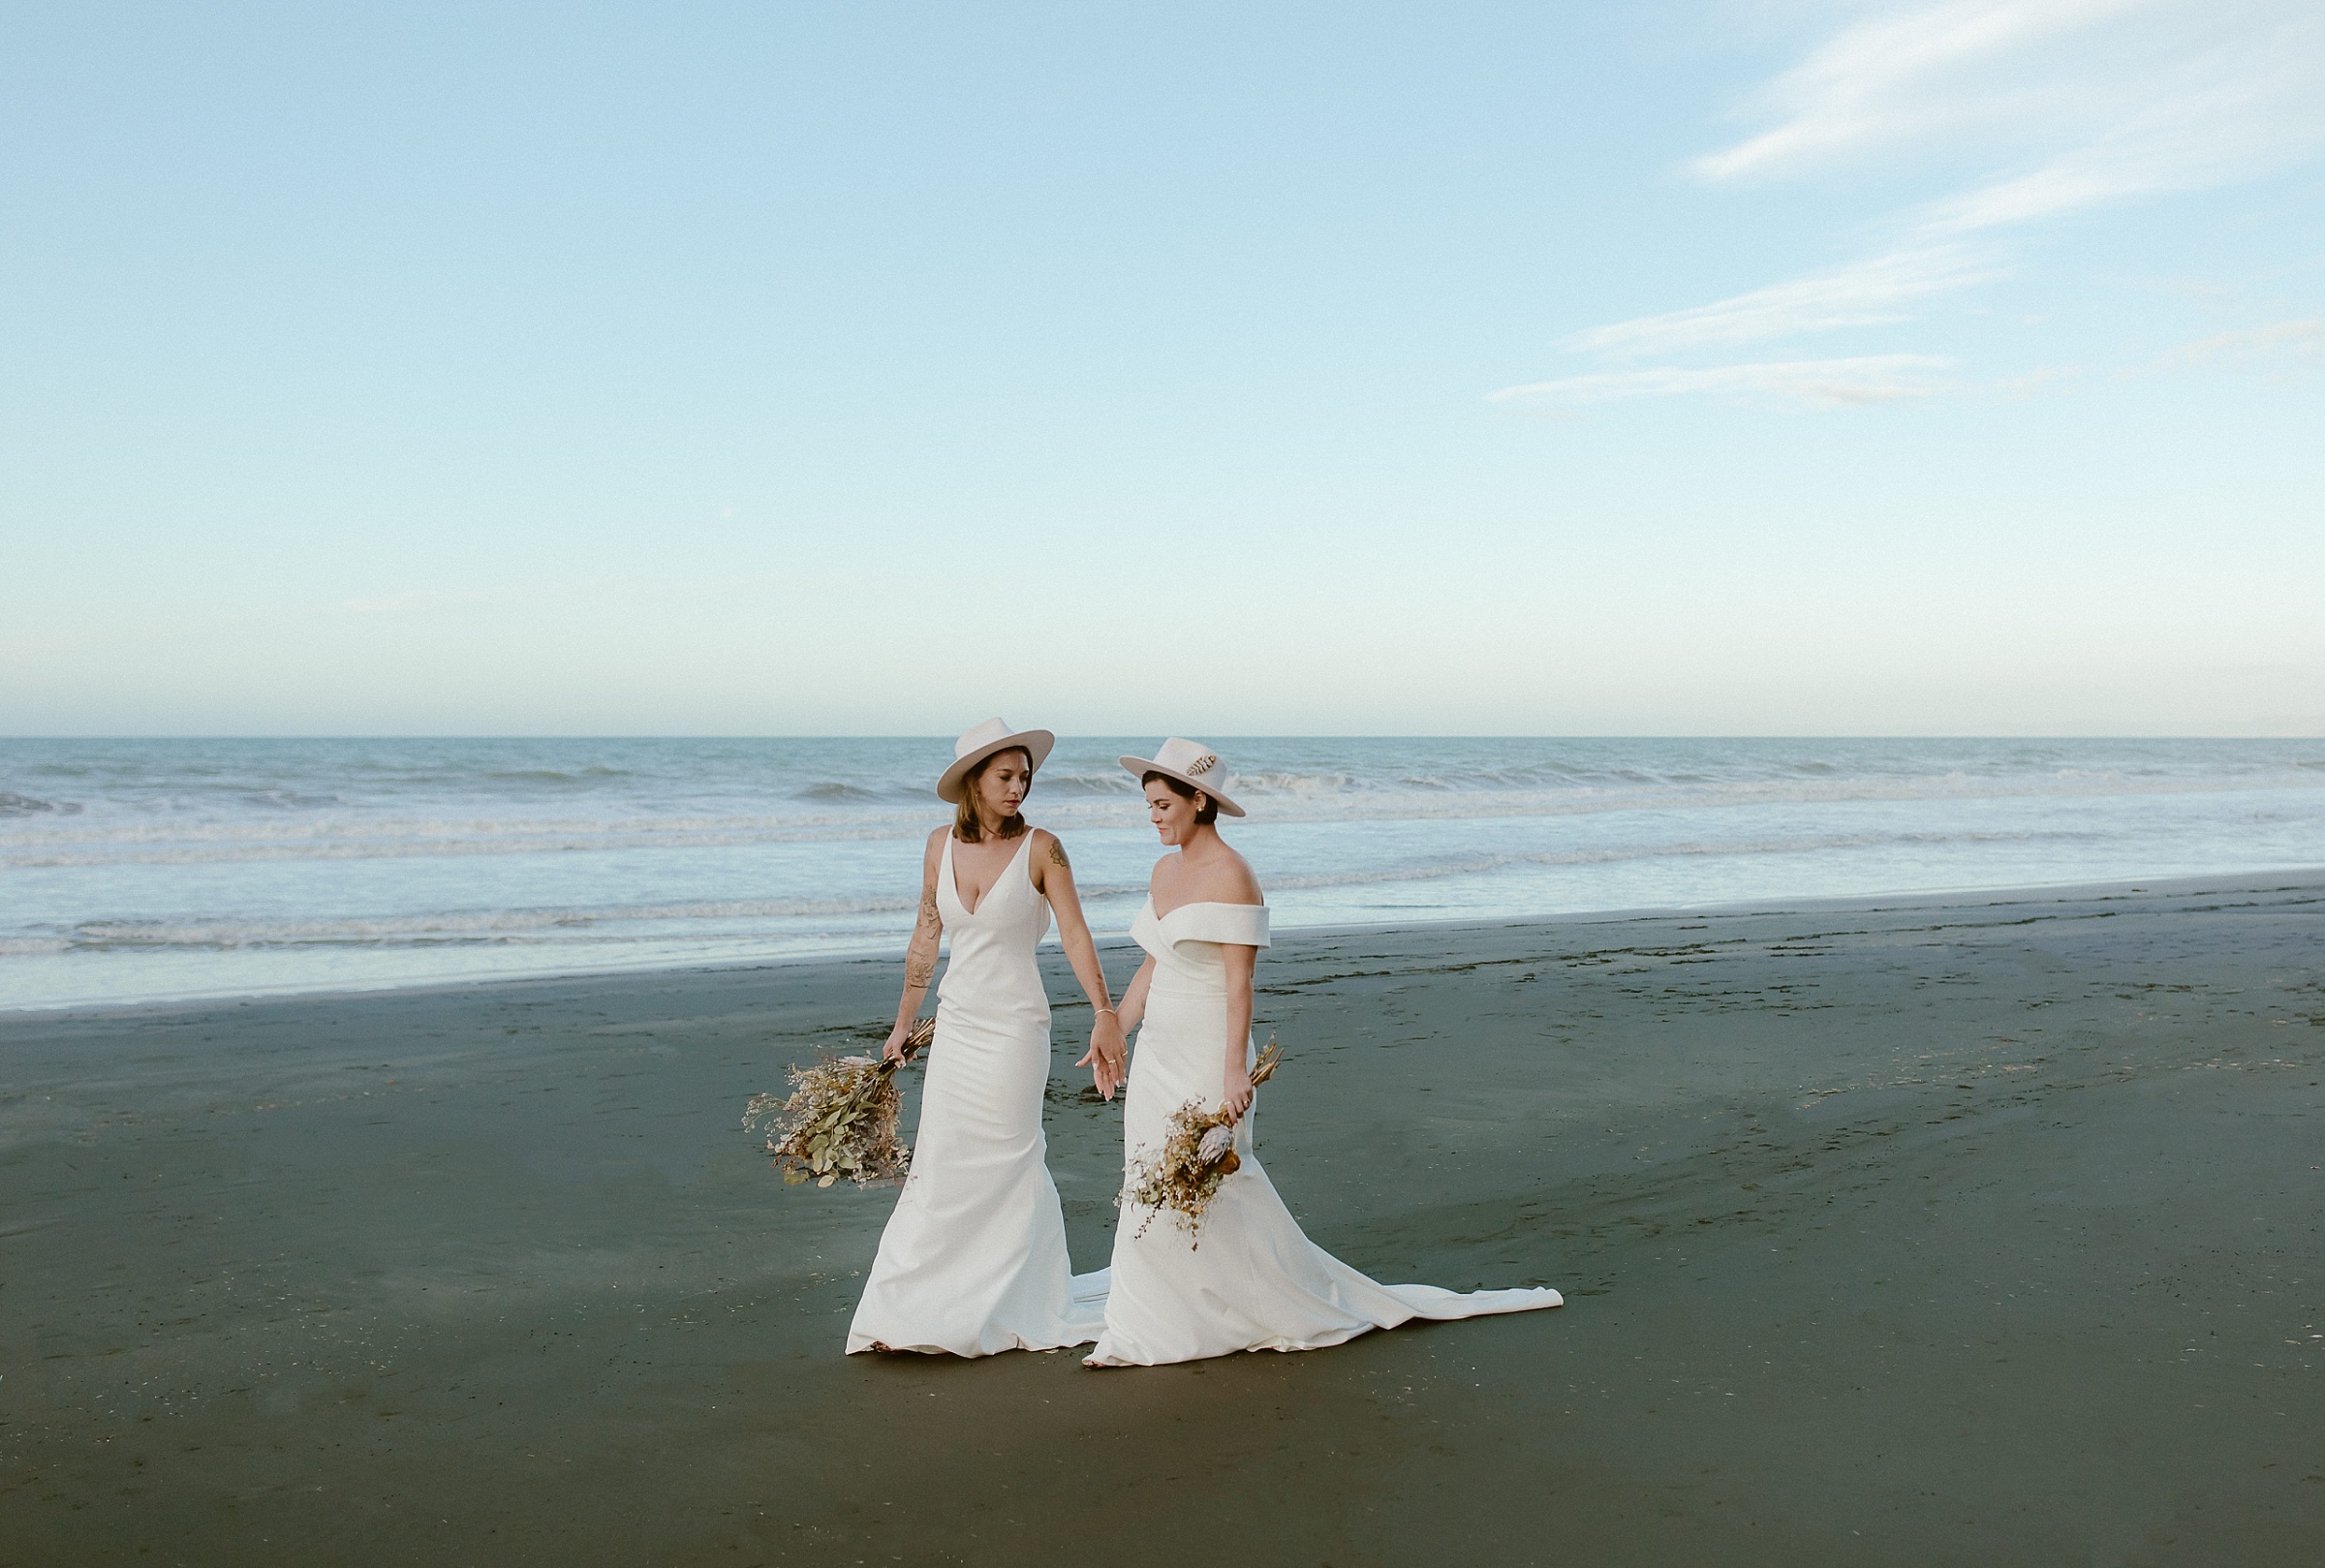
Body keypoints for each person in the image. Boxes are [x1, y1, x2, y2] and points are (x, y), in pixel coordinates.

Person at [1085, 737, 1562, 1368]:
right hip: (1158, 1052)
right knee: (1148, 1177)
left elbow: (1238, 984)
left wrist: (1233, 1069)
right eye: (1148, 804)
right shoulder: (1162, 871)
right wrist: (1115, 1022)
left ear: (1200, 800)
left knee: (1216, 1176)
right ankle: (1147, 1322)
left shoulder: (1234, 875)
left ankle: (1268, 1301)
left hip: (1206, 1051)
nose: (1153, 816)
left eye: (1162, 803)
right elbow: (1154, 962)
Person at [846, 719, 1123, 1356]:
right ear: (974, 780)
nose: (1019, 786)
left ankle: (1012, 1303)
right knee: (940, 1166)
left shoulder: (1043, 848)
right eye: (1006, 776)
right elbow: (925, 934)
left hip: (1015, 1029)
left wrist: (1104, 1008)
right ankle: (912, 1312)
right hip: (959, 1025)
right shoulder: (938, 845)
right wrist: (903, 1022)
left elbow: (1076, 934)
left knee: (1009, 1157)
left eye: (1026, 776)